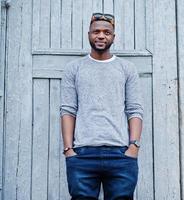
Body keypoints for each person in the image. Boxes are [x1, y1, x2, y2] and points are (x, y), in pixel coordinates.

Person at [60, 13, 143, 200]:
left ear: (113, 37)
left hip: (120, 154)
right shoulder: (74, 68)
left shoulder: (126, 68)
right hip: (82, 154)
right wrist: (68, 150)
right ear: (89, 34)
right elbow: (68, 110)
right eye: (96, 31)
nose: (101, 35)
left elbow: (134, 110)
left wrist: (134, 146)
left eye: (107, 32)